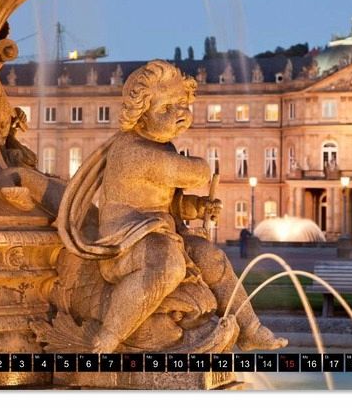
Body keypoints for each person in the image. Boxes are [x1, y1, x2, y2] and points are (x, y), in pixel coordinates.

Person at [57, 60, 286, 352]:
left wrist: (196, 207)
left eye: (181, 104)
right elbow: (194, 172)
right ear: (140, 117)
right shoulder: (132, 151)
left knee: (211, 257)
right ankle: (109, 335)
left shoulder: (161, 145)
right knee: (168, 264)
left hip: (159, 231)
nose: (179, 114)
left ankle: (249, 328)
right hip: (124, 244)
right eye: (166, 108)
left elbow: (166, 202)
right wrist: (202, 168)